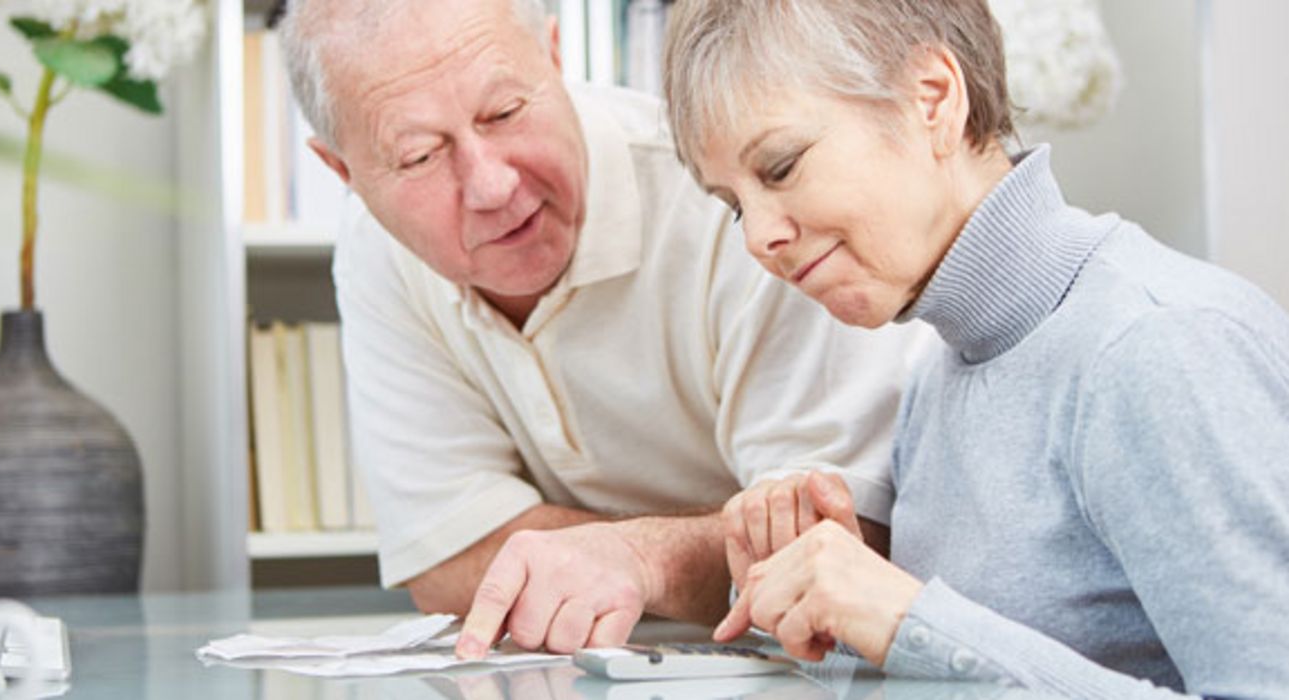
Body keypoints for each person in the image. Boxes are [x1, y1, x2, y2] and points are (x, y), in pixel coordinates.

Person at [662, 0, 1289, 697]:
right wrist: (825, 617)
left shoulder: (1155, 345)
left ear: (931, 99)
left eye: (779, 168)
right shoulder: (941, 366)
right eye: (734, 204)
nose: (757, 238)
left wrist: (910, 619)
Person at [276, 0, 932, 658]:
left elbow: (837, 548)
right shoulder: (377, 250)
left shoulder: (737, 205)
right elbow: (446, 560)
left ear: (558, 58)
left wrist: (639, 559)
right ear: (342, 173)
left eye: (505, 113)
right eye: (418, 156)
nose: (491, 185)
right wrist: (678, 551)